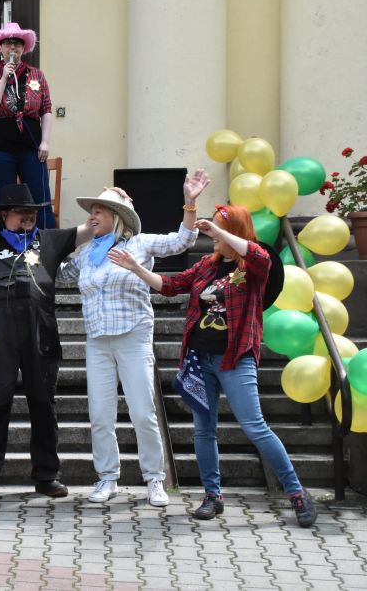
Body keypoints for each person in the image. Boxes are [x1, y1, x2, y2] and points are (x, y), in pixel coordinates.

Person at [109, 204, 317, 527]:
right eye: (213, 231)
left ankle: (297, 493)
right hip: (200, 359)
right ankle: (212, 495)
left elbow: (261, 257)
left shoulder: (253, 266)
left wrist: (221, 231)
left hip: (235, 358)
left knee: (254, 426)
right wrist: (136, 268)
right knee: (204, 430)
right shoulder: (207, 266)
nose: (212, 238)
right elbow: (170, 285)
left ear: (233, 231)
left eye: (220, 231)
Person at [57, 171, 210, 507]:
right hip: (98, 341)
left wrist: (190, 202)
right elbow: (53, 270)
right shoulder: (86, 253)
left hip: (133, 337)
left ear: (117, 217)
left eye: (99, 211)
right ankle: (107, 478)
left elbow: (182, 241)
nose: (92, 216)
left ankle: (154, 480)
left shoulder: (139, 244)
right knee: (100, 414)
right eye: (92, 211)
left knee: (142, 412)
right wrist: (61, 239)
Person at [0, 183, 91, 503]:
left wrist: (113, 204)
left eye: (33, 213)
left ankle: (48, 475)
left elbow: (91, 227)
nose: (28, 218)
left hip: (41, 336)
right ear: (4, 216)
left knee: (43, 406)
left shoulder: (49, 241)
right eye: (22, 213)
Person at [0, 22, 55, 229]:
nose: (13, 48)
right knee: (6, 202)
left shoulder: (36, 75)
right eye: (8, 43)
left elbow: (46, 109)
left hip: (30, 146)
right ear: (0, 48)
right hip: (0, 147)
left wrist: (45, 143)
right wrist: (5, 76)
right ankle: (8, 247)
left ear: (24, 48)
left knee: (40, 199)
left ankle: (48, 246)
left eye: (17, 44)